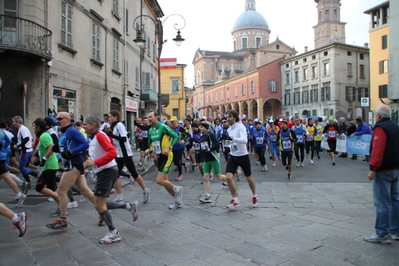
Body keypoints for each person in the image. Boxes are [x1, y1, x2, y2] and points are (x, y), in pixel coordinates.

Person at [82, 115, 139, 244]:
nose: (83, 126)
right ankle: (129, 206)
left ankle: (114, 233)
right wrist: (88, 163)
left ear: (93, 125)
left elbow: (112, 152)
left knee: (98, 204)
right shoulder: (93, 137)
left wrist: (94, 162)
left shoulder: (100, 135)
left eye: (85, 124)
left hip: (107, 171)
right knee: (99, 203)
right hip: (103, 171)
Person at [46, 112, 95, 229]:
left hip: (74, 162)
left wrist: (72, 152)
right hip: (70, 162)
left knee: (61, 191)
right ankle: (104, 210)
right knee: (85, 191)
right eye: (56, 119)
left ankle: (62, 219)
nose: (57, 121)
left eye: (60, 118)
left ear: (67, 120)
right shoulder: (63, 132)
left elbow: (85, 144)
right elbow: (63, 147)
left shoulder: (72, 131)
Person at [364, 104, 399, 244]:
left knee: (382, 202)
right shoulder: (395, 126)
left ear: (378, 116)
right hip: (395, 168)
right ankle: (395, 231)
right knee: (395, 200)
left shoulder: (380, 128)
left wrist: (373, 169)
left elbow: (378, 150)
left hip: (383, 169)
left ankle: (382, 233)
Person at [107, 110, 150, 204]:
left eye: (110, 117)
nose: (109, 118)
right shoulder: (113, 126)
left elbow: (123, 138)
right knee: (116, 174)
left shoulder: (119, 125)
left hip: (125, 154)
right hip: (118, 154)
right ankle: (119, 196)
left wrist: (112, 135)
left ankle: (145, 190)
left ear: (115, 117)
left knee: (134, 173)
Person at [145, 111, 183, 210]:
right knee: (165, 182)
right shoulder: (150, 130)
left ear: (156, 117)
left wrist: (169, 148)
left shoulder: (163, 127)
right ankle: (177, 201)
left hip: (167, 156)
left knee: (159, 180)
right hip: (159, 157)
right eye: (147, 117)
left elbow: (175, 136)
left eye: (150, 116)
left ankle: (177, 189)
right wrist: (148, 150)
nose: (148, 118)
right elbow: (151, 144)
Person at [223, 110, 258, 209]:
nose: (227, 119)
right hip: (233, 155)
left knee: (249, 177)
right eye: (227, 117)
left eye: (229, 117)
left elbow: (244, 140)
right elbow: (232, 142)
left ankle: (255, 196)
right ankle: (235, 199)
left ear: (234, 117)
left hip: (243, 155)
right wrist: (228, 146)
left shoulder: (241, 126)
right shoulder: (229, 129)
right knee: (229, 177)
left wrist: (233, 139)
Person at [32, 118, 60, 207]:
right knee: (52, 188)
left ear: (38, 127)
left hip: (49, 166)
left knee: (39, 188)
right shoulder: (43, 135)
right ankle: (62, 208)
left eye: (34, 126)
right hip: (50, 165)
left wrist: (44, 159)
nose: (33, 128)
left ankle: (60, 200)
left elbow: (51, 147)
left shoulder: (44, 136)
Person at [198, 122, 226, 203]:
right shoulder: (202, 136)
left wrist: (210, 149)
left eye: (202, 127)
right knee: (205, 177)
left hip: (213, 157)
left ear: (206, 128)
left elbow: (217, 144)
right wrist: (201, 155)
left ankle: (229, 180)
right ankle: (207, 196)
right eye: (200, 127)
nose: (201, 128)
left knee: (219, 176)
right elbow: (202, 146)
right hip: (206, 159)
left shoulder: (211, 134)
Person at [0, 127, 27, 207]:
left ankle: (19, 194)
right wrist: (3, 148)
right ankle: (19, 193)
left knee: (6, 176)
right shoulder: (1, 131)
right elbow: (8, 141)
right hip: (2, 156)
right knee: (5, 175)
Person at [12, 116, 38, 190]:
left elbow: (26, 138)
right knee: (24, 166)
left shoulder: (22, 129)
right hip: (27, 150)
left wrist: (18, 145)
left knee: (21, 167)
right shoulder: (23, 128)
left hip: (25, 151)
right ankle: (29, 182)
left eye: (14, 122)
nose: (13, 124)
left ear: (18, 122)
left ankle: (35, 177)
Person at [169, 116, 188, 181]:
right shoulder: (171, 128)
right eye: (171, 122)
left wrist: (184, 140)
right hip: (174, 147)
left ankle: (180, 175)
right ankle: (185, 164)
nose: (172, 123)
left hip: (180, 146)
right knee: (175, 162)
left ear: (176, 121)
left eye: (173, 121)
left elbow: (188, 135)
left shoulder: (181, 128)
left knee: (177, 161)